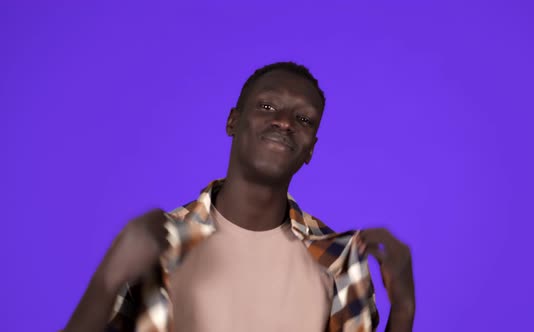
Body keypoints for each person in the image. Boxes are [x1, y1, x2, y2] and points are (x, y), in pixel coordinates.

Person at [64, 62, 415, 332]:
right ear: (233, 121)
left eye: (304, 119)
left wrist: (402, 309)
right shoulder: (155, 242)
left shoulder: (339, 259)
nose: (285, 122)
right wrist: (108, 278)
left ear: (311, 150)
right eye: (266, 107)